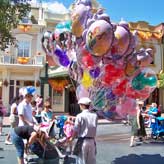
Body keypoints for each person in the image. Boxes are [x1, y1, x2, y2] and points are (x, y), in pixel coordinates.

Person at [72, 97, 98, 164]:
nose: (80, 106)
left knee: (81, 161)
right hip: (92, 141)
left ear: (83, 105)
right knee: (91, 161)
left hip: (83, 141)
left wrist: (71, 138)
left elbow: (75, 130)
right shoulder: (95, 116)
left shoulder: (79, 116)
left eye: (80, 105)